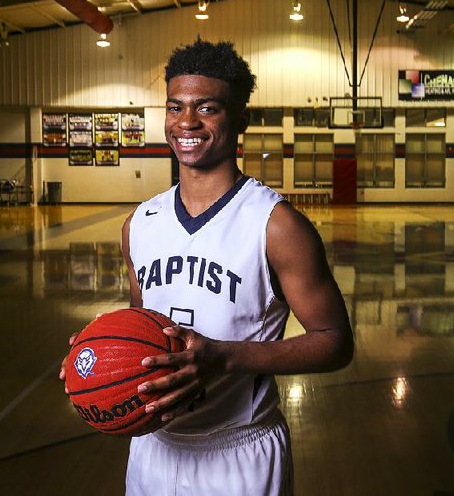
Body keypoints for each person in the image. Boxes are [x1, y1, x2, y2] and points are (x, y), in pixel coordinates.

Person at [62, 39, 353, 495]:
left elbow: (335, 343)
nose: (186, 123)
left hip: (237, 452)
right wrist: (96, 356)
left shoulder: (276, 225)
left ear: (240, 118)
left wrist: (224, 356)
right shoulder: (139, 224)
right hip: (152, 448)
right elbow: (141, 327)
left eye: (207, 108)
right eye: (175, 107)